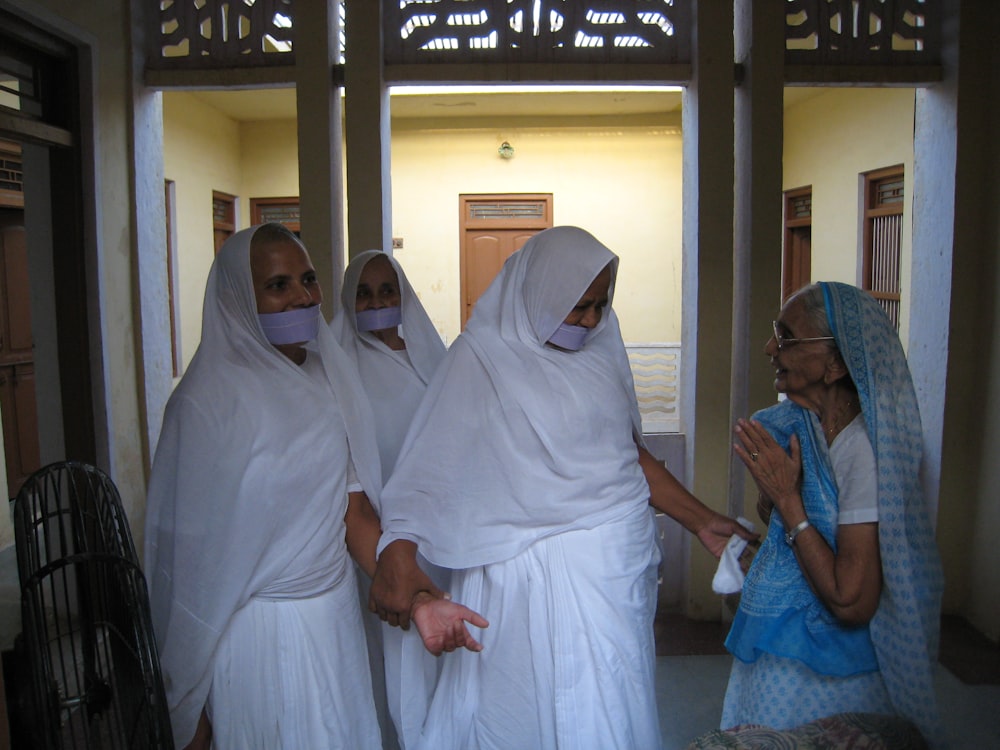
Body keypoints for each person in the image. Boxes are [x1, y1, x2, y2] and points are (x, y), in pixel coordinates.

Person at [370, 226, 754, 750]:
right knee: (517, 714)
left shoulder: (600, 356)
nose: (591, 320)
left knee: (609, 706)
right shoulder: (480, 360)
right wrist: (400, 552)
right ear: (541, 293)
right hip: (516, 585)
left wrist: (703, 521)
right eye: (578, 306)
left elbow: (627, 456)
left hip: (606, 584)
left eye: (601, 304)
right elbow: (429, 469)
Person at [144, 224, 480, 750]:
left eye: (308, 279)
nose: (303, 296)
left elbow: (352, 514)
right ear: (239, 297)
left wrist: (417, 599)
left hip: (334, 622)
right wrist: (186, 699)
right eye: (279, 285)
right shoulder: (205, 405)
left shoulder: (328, 378)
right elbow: (187, 568)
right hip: (257, 641)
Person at [721, 282, 944, 746]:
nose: (770, 348)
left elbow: (852, 600)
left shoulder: (863, 450)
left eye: (786, 337)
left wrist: (787, 500)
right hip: (783, 648)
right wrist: (778, 507)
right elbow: (801, 522)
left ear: (836, 364)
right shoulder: (802, 425)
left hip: (829, 672)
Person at [332, 250, 448, 749]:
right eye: (363, 292)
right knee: (393, 646)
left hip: (443, 533)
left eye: (386, 291)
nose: (376, 302)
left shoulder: (431, 358)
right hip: (376, 534)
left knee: (444, 643)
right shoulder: (340, 368)